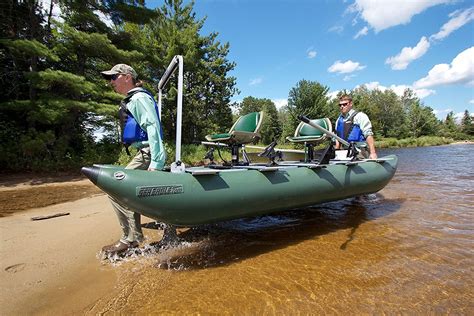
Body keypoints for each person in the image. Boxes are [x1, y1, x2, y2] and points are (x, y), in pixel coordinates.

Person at [100, 63, 169, 255]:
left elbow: (152, 126)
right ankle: (135, 237)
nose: (111, 82)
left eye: (113, 77)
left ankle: (131, 239)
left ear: (126, 76)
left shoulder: (139, 98)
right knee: (119, 190)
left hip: (148, 153)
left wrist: (156, 162)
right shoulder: (134, 99)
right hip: (143, 153)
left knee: (116, 189)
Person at [334, 95, 377, 159]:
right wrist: (336, 153)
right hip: (345, 152)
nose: (342, 106)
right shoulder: (339, 120)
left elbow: (368, 134)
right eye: (340, 105)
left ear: (351, 104)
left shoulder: (360, 116)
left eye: (345, 104)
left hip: (360, 151)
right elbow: (337, 138)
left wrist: (373, 153)